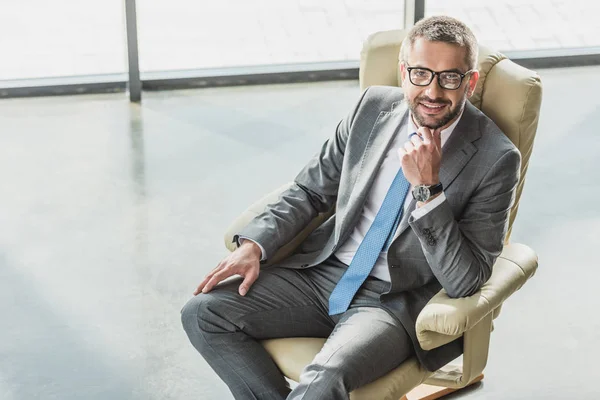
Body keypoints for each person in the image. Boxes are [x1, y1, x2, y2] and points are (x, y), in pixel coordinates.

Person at [181, 15, 520, 400]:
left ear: (470, 82)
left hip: (392, 302)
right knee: (202, 314)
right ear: (404, 71)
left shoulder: (496, 158)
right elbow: (310, 191)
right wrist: (252, 246)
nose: (433, 90)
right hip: (322, 274)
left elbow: (467, 279)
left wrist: (429, 190)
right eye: (422, 74)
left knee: (324, 379)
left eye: (450, 77)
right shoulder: (371, 107)